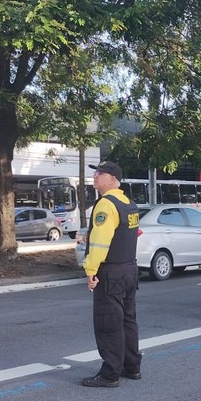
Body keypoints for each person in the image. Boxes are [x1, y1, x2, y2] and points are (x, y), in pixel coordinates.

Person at [80, 161, 142, 387]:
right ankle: (132, 366)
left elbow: (100, 243)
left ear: (113, 179)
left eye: (100, 174)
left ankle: (110, 374)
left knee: (109, 323)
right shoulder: (129, 203)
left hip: (111, 272)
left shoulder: (106, 204)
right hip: (129, 270)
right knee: (127, 320)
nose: (95, 177)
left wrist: (91, 271)